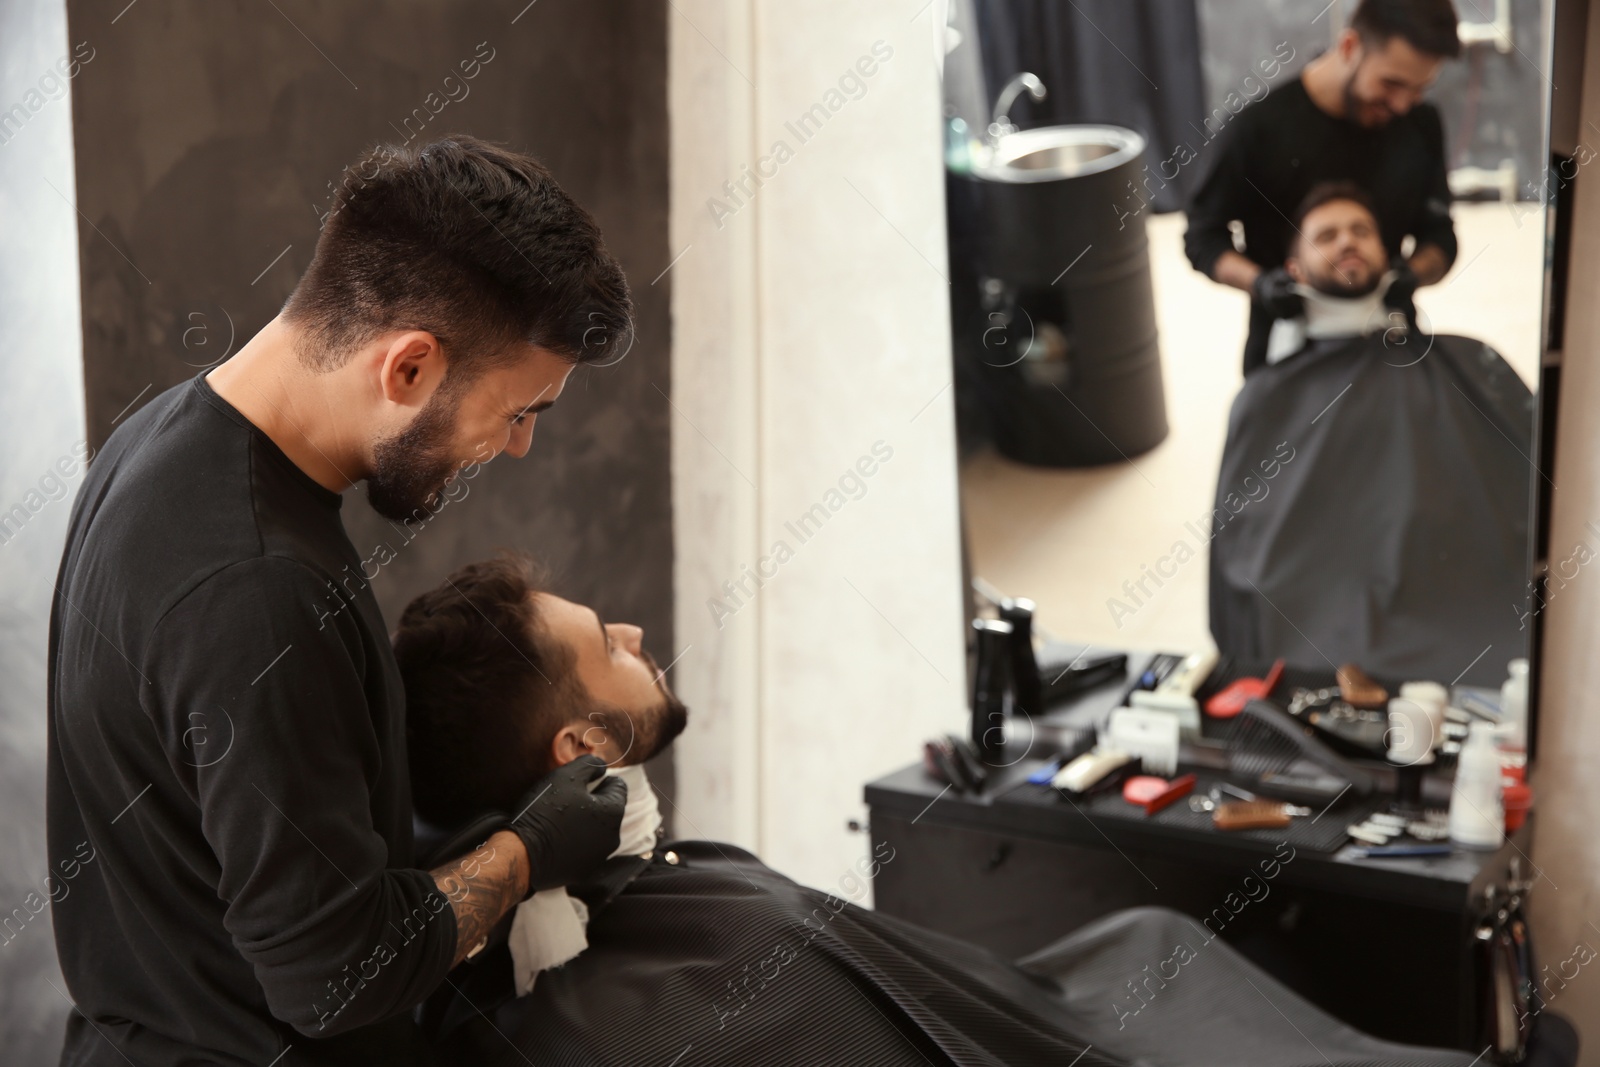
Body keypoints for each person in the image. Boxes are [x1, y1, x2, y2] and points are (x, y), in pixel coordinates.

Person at [396, 556, 1484, 1067]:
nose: (632, 628)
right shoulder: (642, 1008)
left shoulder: (653, 900)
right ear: (584, 750)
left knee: (1151, 935)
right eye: (604, 643)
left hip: (1040, 1017)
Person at [46, 135, 636, 1066]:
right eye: (521, 410)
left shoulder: (156, 435)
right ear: (408, 368)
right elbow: (335, 975)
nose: (517, 445)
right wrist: (529, 850)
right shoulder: (259, 593)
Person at [1207, 183, 1533, 684]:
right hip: (1324, 600)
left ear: (1389, 257)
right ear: (1292, 270)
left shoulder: (1464, 362)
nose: (1347, 242)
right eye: (1327, 235)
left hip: (1453, 589)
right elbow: (1239, 544)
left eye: (1361, 231)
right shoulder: (1267, 395)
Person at [1184, 0, 1462, 374]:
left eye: (1418, 89)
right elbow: (1203, 237)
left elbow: (1439, 236)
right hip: (1286, 350)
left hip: (1390, 343)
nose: (1401, 104)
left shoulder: (1421, 123)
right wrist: (1261, 283)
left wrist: (1412, 275)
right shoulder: (1255, 131)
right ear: (1349, 47)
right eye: (1391, 83)